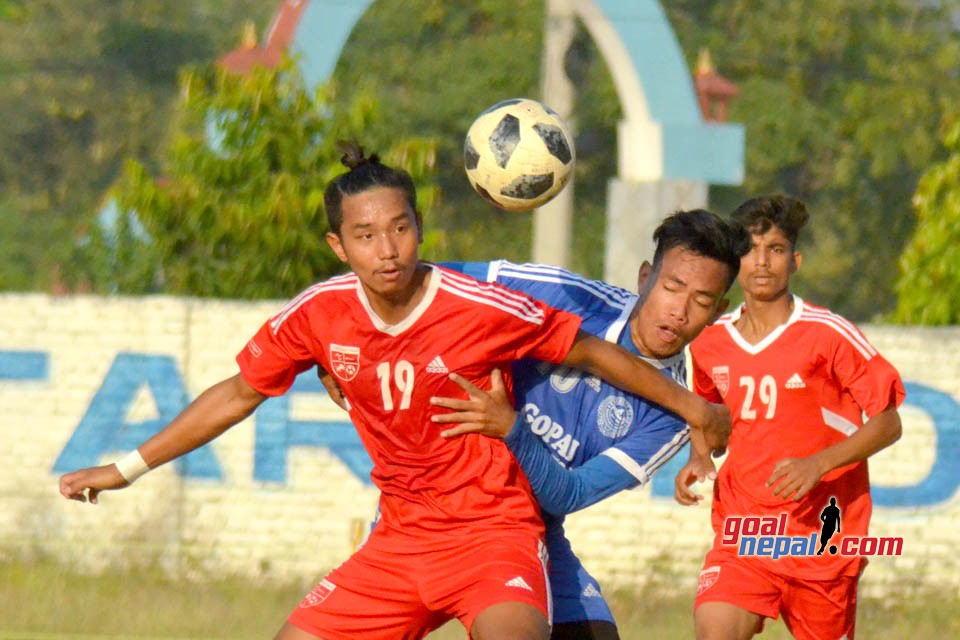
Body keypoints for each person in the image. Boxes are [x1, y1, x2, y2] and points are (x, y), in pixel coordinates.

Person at [59, 143, 730, 640]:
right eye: (366, 235)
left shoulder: (480, 308)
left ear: (419, 228)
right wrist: (125, 468)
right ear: (338, 244)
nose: (388, 250)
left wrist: (696, 410)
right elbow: (238, 393)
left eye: (401, 229)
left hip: (499, 530)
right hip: (401, 537)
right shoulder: (318, 315)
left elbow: (587, 357)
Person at [415, 209, 750, 640]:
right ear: (645, 277)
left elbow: (564, 495)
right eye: (671, 287)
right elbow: (429, 281)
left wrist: (512, 429)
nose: (680, 311)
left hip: (529, 526)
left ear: (719, 311)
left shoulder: (670, 422)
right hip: (437, 502)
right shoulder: (567, 296)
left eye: (702, 302)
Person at [674, 195, 904, 640]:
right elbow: (707, 414)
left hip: (823, 540)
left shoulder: (827, 334)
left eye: (775, 250)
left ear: (794, 261)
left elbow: (888, 422)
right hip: (745, 534)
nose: (761, 263)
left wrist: (819, 463)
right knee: (714, 629)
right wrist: (698, 456)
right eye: (749, 250)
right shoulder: (709, 343)